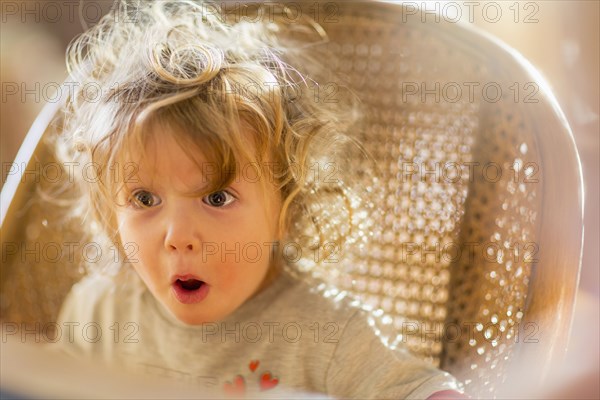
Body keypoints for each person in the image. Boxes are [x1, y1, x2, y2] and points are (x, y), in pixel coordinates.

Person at [53, 1, 466, 398]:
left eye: (216, 197)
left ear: (287, 208)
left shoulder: (331, 336)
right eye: (144, 198)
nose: (178, 236)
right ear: (110, 214)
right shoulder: (99, 314)